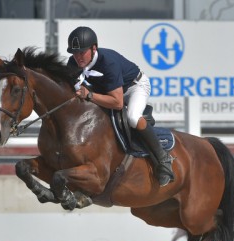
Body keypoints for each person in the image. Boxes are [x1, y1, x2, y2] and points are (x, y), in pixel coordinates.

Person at [66, 26, 174, 187]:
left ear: (93, 48)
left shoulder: (108, 62)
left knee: (132, 117)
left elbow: (117, 103)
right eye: (75, 53)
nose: (78, 57)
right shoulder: (73, 63)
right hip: (109, 90)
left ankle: (163, 158)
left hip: (134, 87)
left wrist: (89, 95)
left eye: (82, 52)